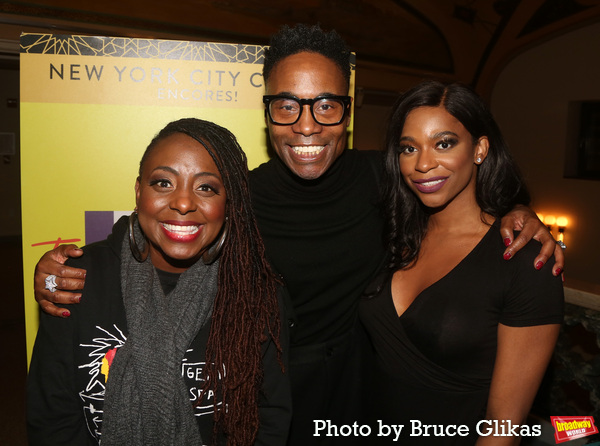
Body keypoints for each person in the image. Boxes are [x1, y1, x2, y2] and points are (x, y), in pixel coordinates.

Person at [31, 25, 563, 445]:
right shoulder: (242, 197)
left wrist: (516, 210)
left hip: (362, 387)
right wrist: (65, 266)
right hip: (272, 384)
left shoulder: (388, 180)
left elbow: (452, 187)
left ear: (346, 112)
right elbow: (172, 220)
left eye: (325, 104)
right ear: (268, 113)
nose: (306, 125)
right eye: (287, 104)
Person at [27, 118, 291, 446]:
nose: (183, 203)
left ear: (229, 203)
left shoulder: (254, 293)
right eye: (163, 183)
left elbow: (270, 417)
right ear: (139, 191)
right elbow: (52, 414)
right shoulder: (75, 278)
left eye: (206, 187)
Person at [359, 81, 564, 445]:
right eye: (409, 148)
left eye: (444, 143)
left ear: (480, 149)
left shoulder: (524, 261)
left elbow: (503, 429)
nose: (423, 163)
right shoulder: (392, 236)